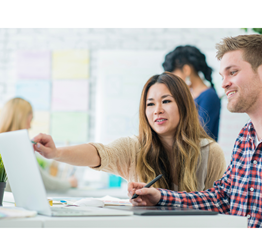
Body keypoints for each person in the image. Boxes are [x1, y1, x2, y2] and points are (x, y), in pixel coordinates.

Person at [129, 34, 262, 228]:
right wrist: (160, 196)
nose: (224, 83)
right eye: (222, 76)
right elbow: (223, 198)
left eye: (233, 72)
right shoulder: (246, 136)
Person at [32, 72, 226, 192]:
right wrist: (56, 153)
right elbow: (99, 153)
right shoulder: (135, 148)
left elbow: (220, 206)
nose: (157, 109)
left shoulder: (210, 152)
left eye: (166, 101)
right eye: (150, 104)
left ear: (184, 106)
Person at [0, 97, 78, 192]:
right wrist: (70, 182)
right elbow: (45, 182)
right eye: (30, 120)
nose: (30, 126)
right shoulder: (19, 146)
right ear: (21, 118)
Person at [163, 45, 221, 141]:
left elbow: (199, 135)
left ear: (186, 70)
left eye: (174, 77)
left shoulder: (208, 95)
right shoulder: (192, 95)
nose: (173, 82)